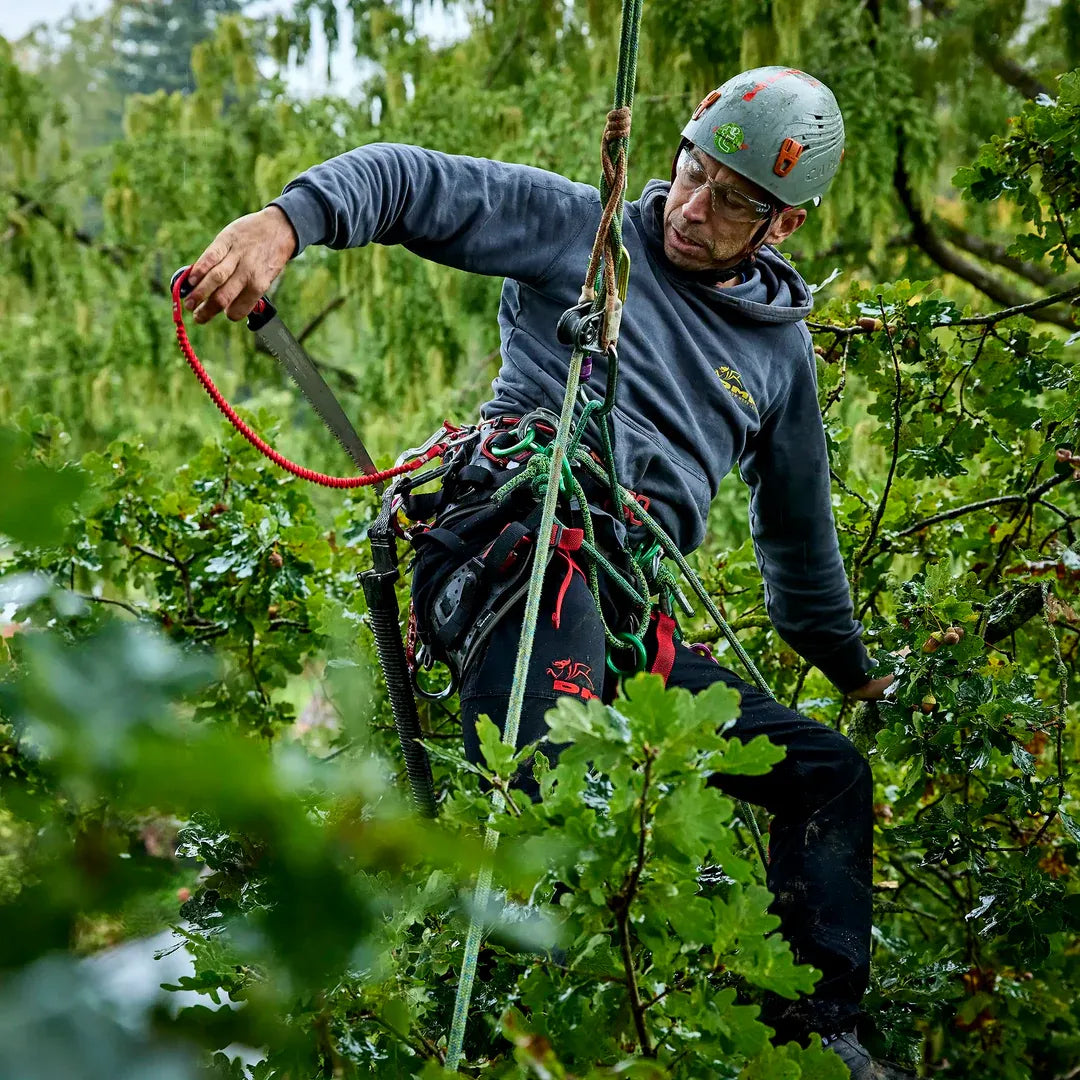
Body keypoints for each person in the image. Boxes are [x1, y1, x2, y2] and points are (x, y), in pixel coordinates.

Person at [184, 66, 897, 1078]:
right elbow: (415, 184)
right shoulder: (587, 234)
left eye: (732, 203)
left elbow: (801, 548)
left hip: (625, 621)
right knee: (552, 802)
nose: (693, 210)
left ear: (781, 227)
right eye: (692, 176)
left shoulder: (779, 364)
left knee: (828, 774)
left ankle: (817, 1037)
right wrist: (285, 225)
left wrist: (855, 669)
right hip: (517, 554)